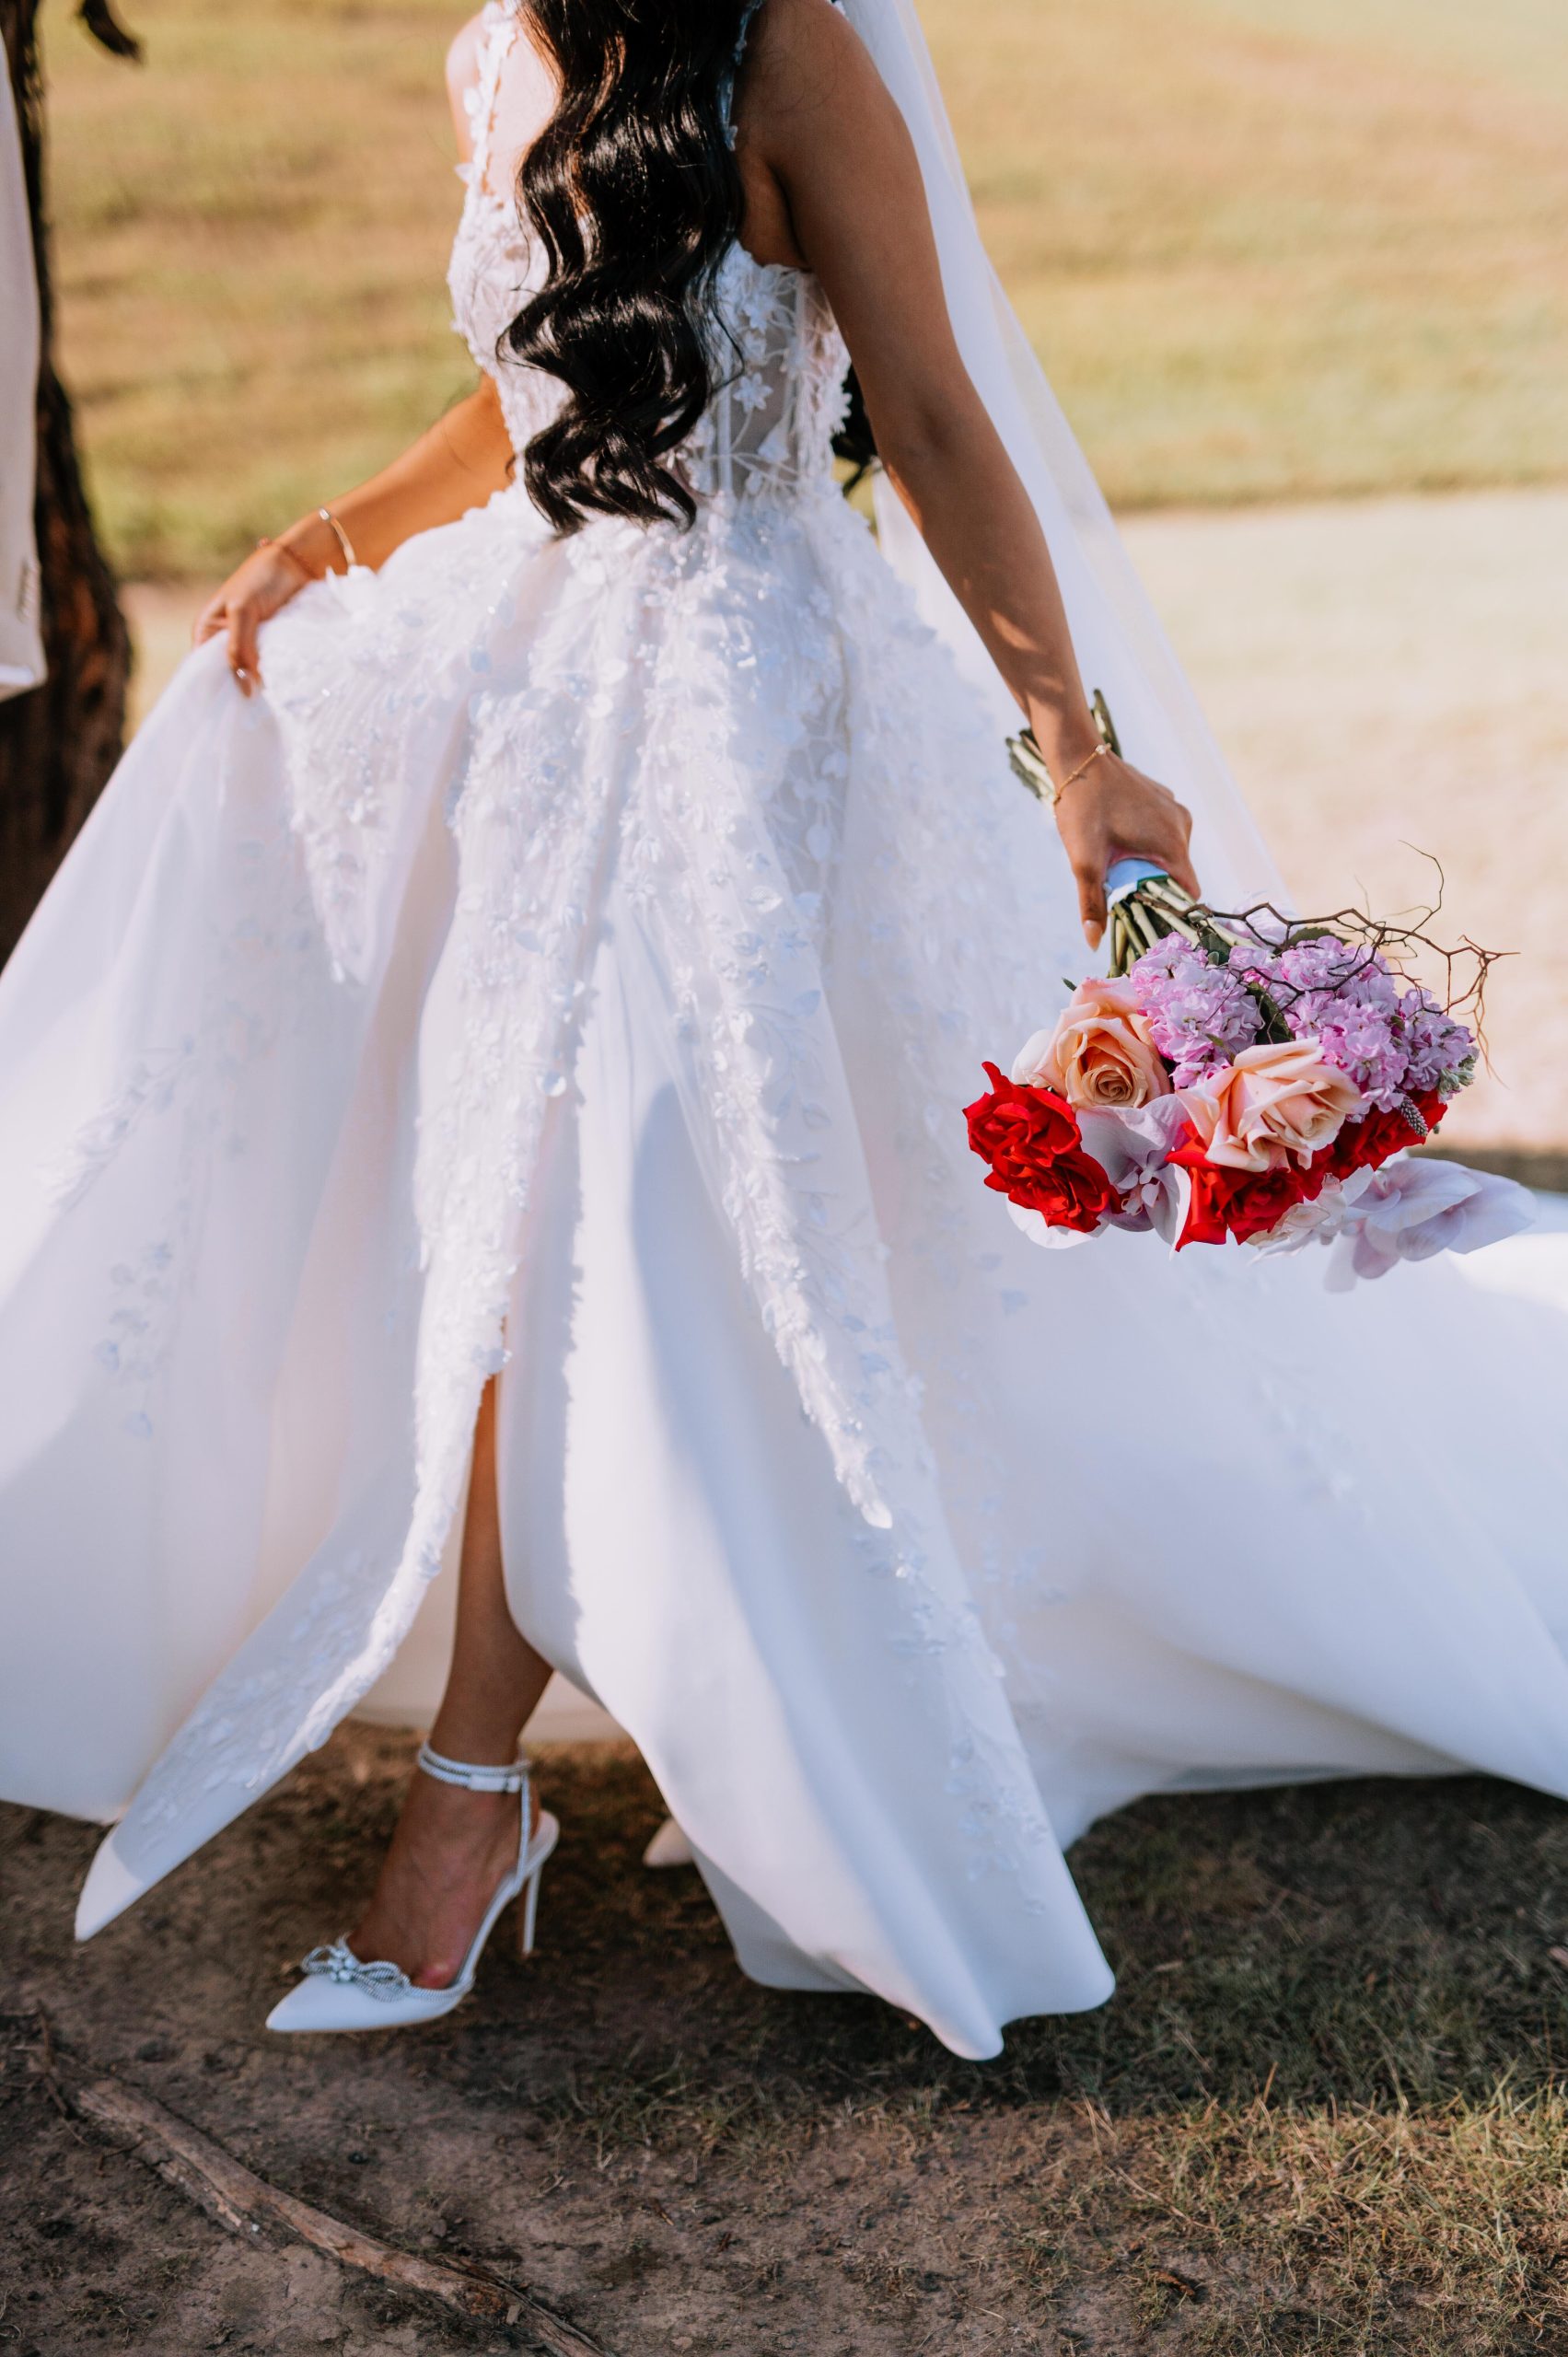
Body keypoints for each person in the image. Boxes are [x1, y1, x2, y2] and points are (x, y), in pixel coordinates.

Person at [2, 0, 1566, 2062]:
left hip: (756, 711)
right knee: (514, 1178)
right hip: (544, 691)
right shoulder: (493, 60)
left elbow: (924, 405)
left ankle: (474, 1790)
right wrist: (335, 533)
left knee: (608, 1182)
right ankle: (563, 1718)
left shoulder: (798, 54)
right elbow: (535, 391)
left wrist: (1077, 754)